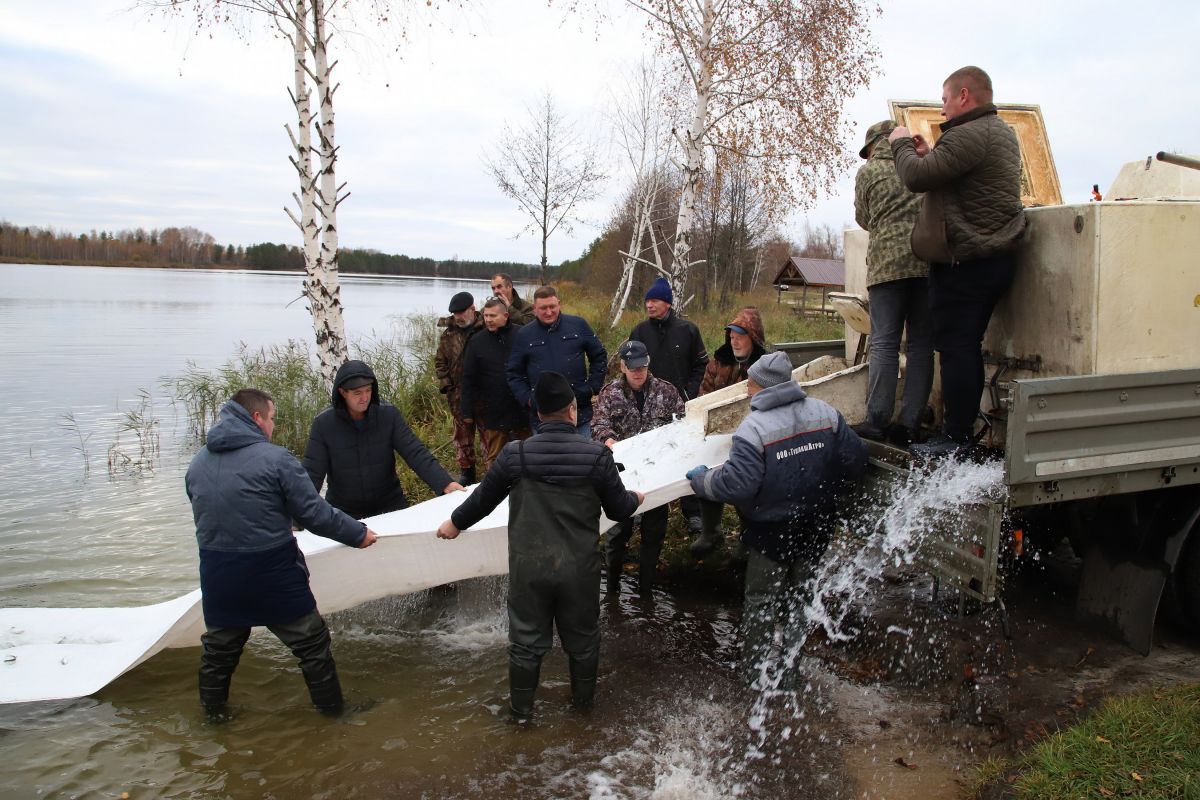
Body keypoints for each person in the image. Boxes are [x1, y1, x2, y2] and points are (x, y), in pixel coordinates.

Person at [436, 371, 644, 720]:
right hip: (578, 570)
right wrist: (636, 497)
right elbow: (619, 509)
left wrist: (454, 524)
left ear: (537, 413)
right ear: (573, 411)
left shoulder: (515, 456)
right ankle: (582, 713)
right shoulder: (596, 457)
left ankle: (520, 716)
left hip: (529, 569)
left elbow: (482, 501)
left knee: (525, 645)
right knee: (582, 642)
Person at [185, 388, 380, 719]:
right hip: (270, 571)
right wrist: (357, 534)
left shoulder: (197, 463)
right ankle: (335, 715)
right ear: (257, 418)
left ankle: (213, 719)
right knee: (312, 645)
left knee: (219, 651)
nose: (274, 426)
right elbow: (314, 514)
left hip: (218, 575)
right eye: (272, 418)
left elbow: (211, 509)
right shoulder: (276, 459)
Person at [686, 353, 866, 689]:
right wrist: (825, 489)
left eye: (751, 383)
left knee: (761, 601)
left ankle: (753, 676)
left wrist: (701, 480)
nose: (747, 389)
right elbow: (855, 460)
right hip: (817, 524)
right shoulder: (825, 413)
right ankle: (790, 672)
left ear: (765, 386)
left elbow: (737, 485)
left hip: (772, 531)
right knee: (800, 598)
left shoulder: (753, 429)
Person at [888, 65, 1027, 458]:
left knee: (957, 347)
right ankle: (958, 433)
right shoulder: (997, 132)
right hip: (992, 258)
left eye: (946, 99)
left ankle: (956, 438)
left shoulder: (970, 133)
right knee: (964, 345)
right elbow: (954, 175)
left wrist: (899, 143)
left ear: (965, 96)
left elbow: (916, 178)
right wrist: (930, 155)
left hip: (967, 263)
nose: (943, 109)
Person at [854, 118, 934, 447]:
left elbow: (862, 217)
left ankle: (877, 421)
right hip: (926, 264)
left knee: (885, 343)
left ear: (875, 145)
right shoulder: (920, 165)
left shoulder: (869, 172)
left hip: (886, 268)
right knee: (920, 348)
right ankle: (910, 423)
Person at [304, 360, 462, 519]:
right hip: (344, 512)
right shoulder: (324, 424)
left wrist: (444, 483)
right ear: (342, 392)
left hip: (389, 505)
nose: (364, 397)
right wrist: (298, 517)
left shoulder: (388, 415)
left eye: (368, 390)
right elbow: (312, 472)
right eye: (357, 393)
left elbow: (415, 452)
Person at [592, 340, 684, 596]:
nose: (638, 372)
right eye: (632, 367)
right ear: (622, 366)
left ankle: (645, 591)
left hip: (657, 474)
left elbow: (682, 423)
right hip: (622, 475)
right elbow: (598, 425)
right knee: (618, 532)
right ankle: (611, 589)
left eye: (642, 367)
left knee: (654, 533)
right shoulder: (610, 393)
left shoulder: (666, 391)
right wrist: (609, 438)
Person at [627, 276, 709, 542]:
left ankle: (692, 510)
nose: (649, 305)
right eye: (647, 300)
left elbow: (701, 364)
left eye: (655, 300)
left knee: (685, 455)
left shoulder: (688, 330)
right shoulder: (640, 332)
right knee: (645, 456)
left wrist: (690, 391)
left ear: (668, 303)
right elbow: (629, 363)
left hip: (680, 406)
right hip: (645, 407)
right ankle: (640, 505)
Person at [689, 306, 768, 557]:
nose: (733, 341)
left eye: (739, 336)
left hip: (755, 437)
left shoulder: (766, 366)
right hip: (718, 435)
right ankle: (711, 532)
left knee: (749, 485)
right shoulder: (718, 363)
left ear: (753, 339)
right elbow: (703, 397)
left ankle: (747, 537)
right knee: (709, 476)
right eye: (731, 336)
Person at [506, 285, 607, 438]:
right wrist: (528, 399)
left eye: (552, 306)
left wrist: (592, 387)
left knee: (582, 459)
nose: (549, 312)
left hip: (578, 413)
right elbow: (513, 372)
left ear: (559, 304)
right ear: (534, 308)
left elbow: (599, 355)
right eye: (543, 308)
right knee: (547, 461)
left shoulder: (578, 325)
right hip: (542, 418)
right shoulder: (525, 334)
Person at [460, 296, 531, 471]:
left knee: (527, 455)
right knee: (495, 459)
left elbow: (534, 366)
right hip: (493, 410)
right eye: (486, 316)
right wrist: (466, 411)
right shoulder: (477, 341)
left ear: (506, 315)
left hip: (523, 407)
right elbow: (468, 378)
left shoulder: (522, 334)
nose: (488, 320)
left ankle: (528, 488)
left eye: (493, 316)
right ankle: (496, 491)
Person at [435, 291, 486, 484]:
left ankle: (492, 473)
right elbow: (440, 362)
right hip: (457, 396)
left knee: (488, 437)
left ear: (472, 309)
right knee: (462, 437)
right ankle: (467, 473)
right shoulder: (449, 334)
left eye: (462, 312)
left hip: (484, 397)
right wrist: (447, 386)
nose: (458, 317)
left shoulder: (486, 328)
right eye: (455, 313)